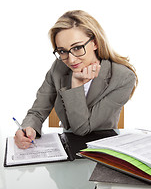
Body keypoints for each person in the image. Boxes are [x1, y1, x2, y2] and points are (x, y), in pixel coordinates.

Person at [14, 10, 138, 149]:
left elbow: (82, 129)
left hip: (104, 148)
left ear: (95, 43)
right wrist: (27, 128)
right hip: (67, 144)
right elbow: (38, 111)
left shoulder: (122, 77)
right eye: (62, 51)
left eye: (78, 48)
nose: (71, 60)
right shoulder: (58, 68)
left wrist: (76, 84)